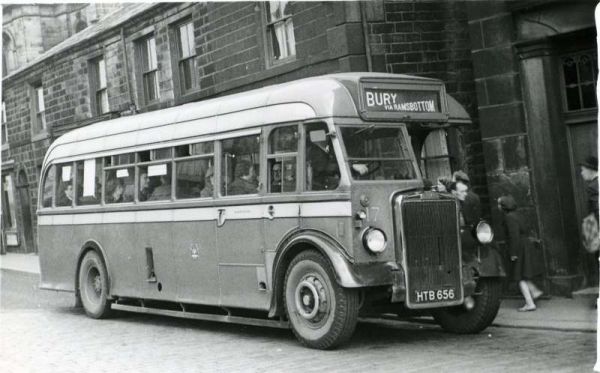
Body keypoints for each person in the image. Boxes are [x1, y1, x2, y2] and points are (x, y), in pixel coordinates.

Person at [498, 195, 543, 312]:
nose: (498, 206)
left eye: (499, 204)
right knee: (523, 273)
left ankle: (529, 303)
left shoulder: (509, 217)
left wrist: (513, 253)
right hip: (525, 246)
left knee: (519, 277)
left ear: (504, 206)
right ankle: (535, 291)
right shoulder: (518, 214)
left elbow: (514, 236)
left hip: (519, 248)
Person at [579, 156, 599, 285]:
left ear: (590, 170)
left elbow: (597, 209)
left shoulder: (593, 186)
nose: (581, 173)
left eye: (583, 170)